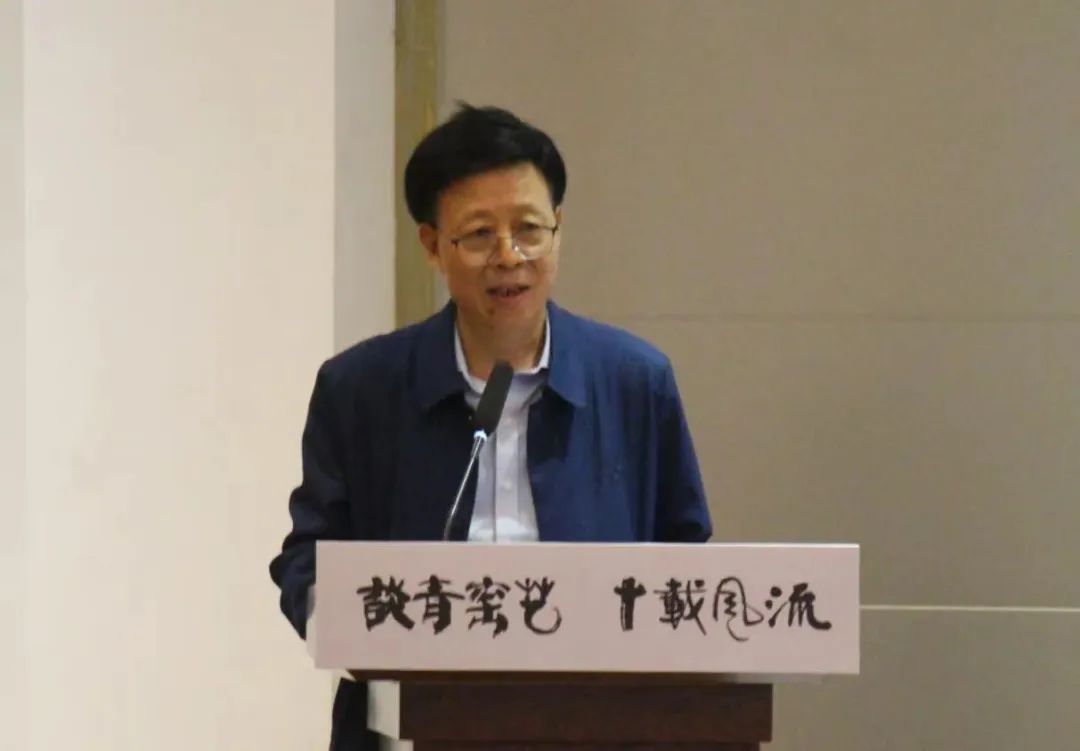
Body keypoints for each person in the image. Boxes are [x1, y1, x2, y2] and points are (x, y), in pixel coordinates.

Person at [269, 104, 712, 750]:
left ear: (558, 229)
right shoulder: (360, 388)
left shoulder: (635, 382)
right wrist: (349, 629)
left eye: (529, 229)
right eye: (479, 235)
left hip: (598, 728)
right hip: (416, 728)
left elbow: (686, 560)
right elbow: (308, 561)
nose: (510, 256)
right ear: (431, 245)